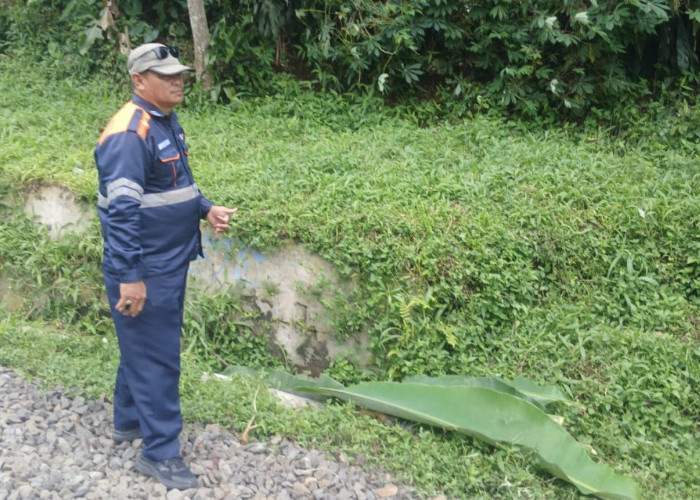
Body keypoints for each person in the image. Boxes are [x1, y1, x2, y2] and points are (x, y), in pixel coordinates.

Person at [94, 43, 236, 490]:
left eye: (179, 73)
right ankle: (160, 453)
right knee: (158, 358)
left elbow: (173, 185)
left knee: (141, 346)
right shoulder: (128, 134)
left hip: (166, 262)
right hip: (146, 268)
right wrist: (130, 277)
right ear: (139, 81)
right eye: (166, 75)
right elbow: (121, 211)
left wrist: (205, 208)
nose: (178, 80)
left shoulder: (161, 121)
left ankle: (128, 421)